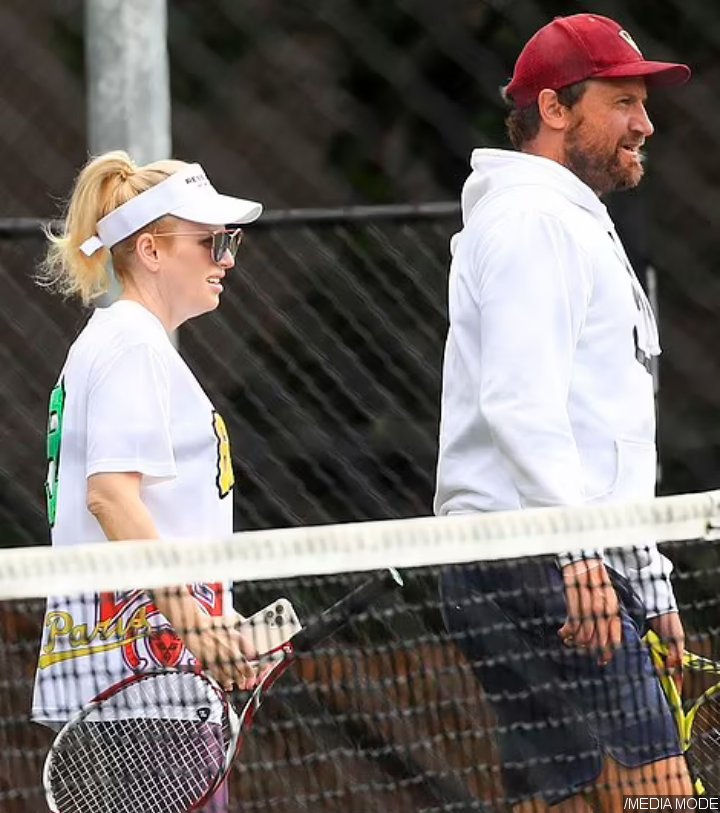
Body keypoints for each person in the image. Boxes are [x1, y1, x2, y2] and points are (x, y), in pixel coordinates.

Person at [434, 14, 692, 812]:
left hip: (549, 556)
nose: (644, 122)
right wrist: (578, 555)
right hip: (541, 559)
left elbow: (600, 428)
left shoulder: (563, 219)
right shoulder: (532, 222)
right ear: (554, 108)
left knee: (567, 798)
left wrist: (652, 586)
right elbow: (521, 401)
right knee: (658, 795)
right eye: (622, 101)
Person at [31, 150, 264, 812]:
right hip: (145, 693)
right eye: (211, 241)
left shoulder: (122, 341)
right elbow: (110, 495)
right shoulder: (132, 342)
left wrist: (221, 624)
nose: (227, 257)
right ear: (153, 249)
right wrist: (198, 626)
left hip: (142, 686)